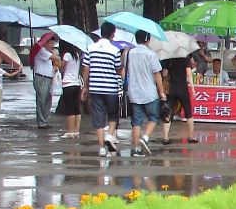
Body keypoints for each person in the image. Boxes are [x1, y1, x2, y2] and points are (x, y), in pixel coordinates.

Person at [81, 21, 124, 156]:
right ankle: (109, 136)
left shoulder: (90, 48)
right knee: (113, 116)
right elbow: (118, 69)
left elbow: (86, 68)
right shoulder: (115, 50)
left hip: (95, 88)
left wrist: (85, 86)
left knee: (98, 119)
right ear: (112, 35)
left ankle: (101, 148)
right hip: (111, 88)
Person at [126, 30, 165, 156]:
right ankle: (145, 137)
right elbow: (157, 74)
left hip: (134, 93)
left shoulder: (130, 53)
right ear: (147, 39)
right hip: (149, 93)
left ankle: (136, 148)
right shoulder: (151, 54)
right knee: (154, 117)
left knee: (137, 121)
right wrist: (162, 92)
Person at [160, 54, 200, 144]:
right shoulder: (186, 58)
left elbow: (164, 73)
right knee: (188, 112)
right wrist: (193, 89)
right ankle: (191, 136)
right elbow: (189, 74)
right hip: (183, 89)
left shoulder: (169, 58)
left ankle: (166, 138)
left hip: (172, 89)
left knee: (168, 112)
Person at [30, 32, 63, 128]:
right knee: (42, 100)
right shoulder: (41, 51)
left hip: (49, 78)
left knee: (48, 101)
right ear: (45, 43)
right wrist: (57, 57)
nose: (52, 45)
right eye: (51, 43)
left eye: (53, 43)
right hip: (41, 78)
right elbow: (56, 58)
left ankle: (45, 120)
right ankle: (41, 122)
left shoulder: (48, 52)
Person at [54, 43, 82, 139]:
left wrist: (56, 60)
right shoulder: (77, 55)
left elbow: (61, 67)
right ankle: (76, 131)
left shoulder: (67, 55)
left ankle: (70, 131)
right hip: (76, 83)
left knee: (70, 109)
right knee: (76, 108)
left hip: (68, 84)